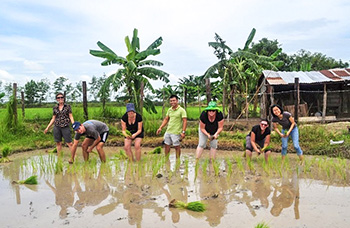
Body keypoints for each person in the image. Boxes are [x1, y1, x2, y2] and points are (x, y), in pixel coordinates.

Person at [44, 92, 74, 158]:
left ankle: (73, 157)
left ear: (64, 98)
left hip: (65, 126)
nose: (60, 99)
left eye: (61, 97)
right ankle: (59, 158)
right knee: (58, 143)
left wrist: (74, 125)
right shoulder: (55, 108)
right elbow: (53, 118)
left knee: (69, 143)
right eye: (58, 98)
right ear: (56, 99)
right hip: (57, 127)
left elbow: (71, 116)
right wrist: (47, 127)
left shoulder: (68, 106)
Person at [156, 95, 187, 159]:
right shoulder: (169, 110)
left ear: (177, 101)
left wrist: (183, 132)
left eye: (174, 100)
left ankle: (178, 160)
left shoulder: (181, 110)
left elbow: (184, 121)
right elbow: (166, 119)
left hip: (176, 132)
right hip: (168, 131)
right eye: (171, 101)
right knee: (167, 145)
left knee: (176, 146)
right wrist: (160, 127)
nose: (172, 102)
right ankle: (166, 160)